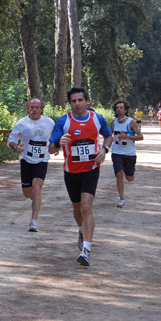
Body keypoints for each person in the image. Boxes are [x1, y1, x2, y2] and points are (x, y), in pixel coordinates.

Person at [49, 87, 112, 266]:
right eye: (73, 101)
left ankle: (86, 250)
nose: (77, 104)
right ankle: (81, 230)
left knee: (86, 207)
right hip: (71, 171)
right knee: (77, 209)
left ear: (87, 102)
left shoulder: (97, 119)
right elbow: (50, 148)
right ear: (70, 104)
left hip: (91, 169)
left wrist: (104, 149)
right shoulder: (63, 121)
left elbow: (109, 136)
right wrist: (57, 143)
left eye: (80, 100)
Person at [7, 99, 55, 232]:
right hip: (26, 159)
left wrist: (55, 147)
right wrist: (15, 147)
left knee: (37, 186)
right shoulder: (22, 123)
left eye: (37, 107)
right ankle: (35, 198)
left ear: (41, 109)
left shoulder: (49, 122)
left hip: (42, 160)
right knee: (27, 193)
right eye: (31, 107)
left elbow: (55, 137)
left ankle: (33, 221)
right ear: (28, 109)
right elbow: (11, 140)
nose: (34, 109)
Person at [110, 100, 143, 208]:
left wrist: (127, 136)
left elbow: (140, 136)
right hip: (116, 152)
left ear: (125, 110)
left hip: (129, 153)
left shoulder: (131, 122)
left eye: (121, 107)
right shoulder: (113, 122)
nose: (119, 109)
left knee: (129, 177)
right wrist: (104, 148)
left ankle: (131, 175)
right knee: (119, 174)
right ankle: (121, 198)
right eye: (117, 107)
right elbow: (109, 136)